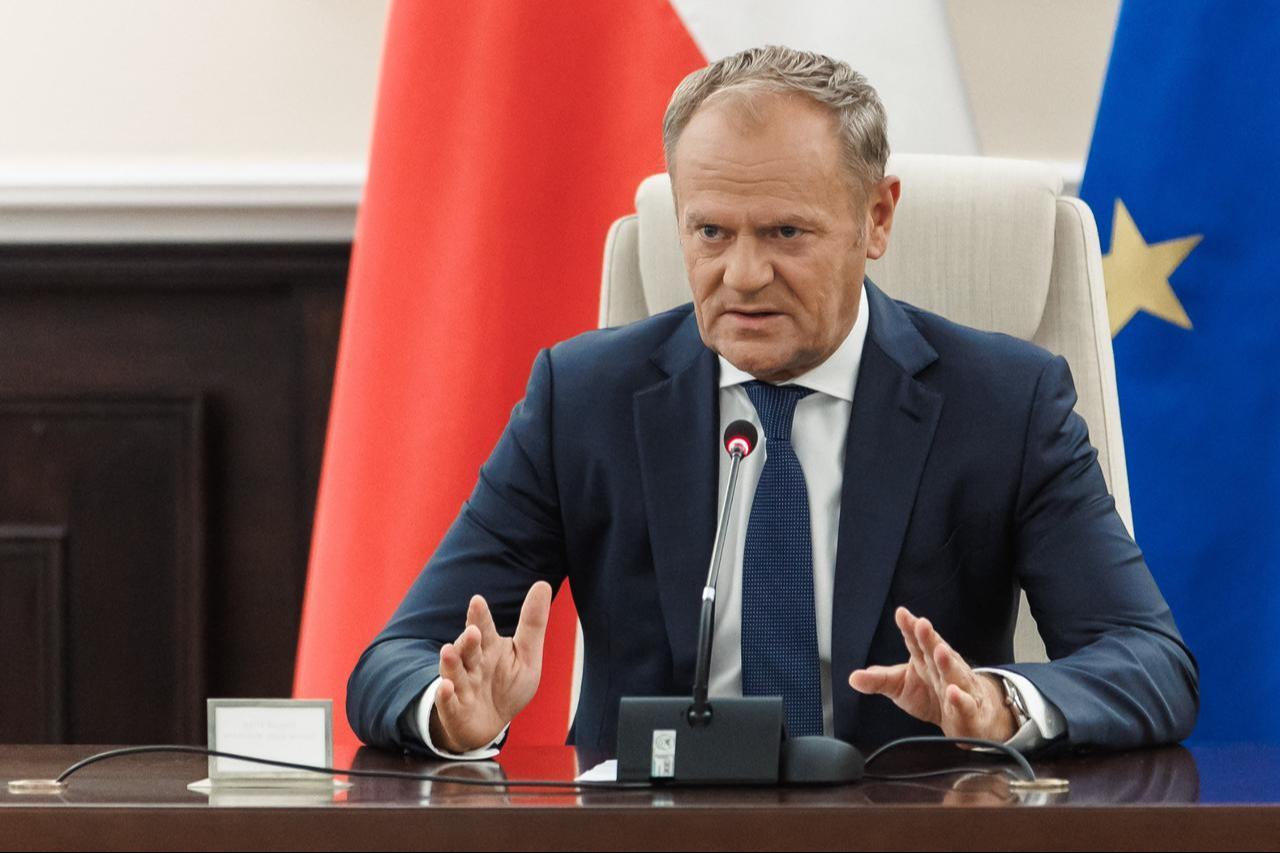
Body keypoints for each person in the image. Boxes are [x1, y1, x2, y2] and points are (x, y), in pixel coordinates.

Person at [346, 46, 1198, 759]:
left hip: (906, 834)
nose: (742, 275)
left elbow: (1151, 663)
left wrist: (998, 704)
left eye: (785, 233)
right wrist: (450, 714)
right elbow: (395, 659)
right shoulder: (585, 399)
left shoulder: (1002, 402)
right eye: (710, 232)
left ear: (876, 218)